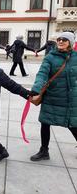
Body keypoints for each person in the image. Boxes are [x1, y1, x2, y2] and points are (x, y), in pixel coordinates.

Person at [30, 32, 77, 161]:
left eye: (64, 40)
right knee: (45, 123)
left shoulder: (76, 57)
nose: (60, 41)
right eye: (59, 39)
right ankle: (44, 151)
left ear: (71, 42)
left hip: (71, 98)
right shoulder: (50, 57)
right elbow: (42, 74)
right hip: (52, 97)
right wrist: (36, 89)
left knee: (73, 124)